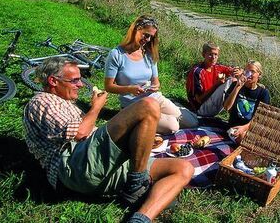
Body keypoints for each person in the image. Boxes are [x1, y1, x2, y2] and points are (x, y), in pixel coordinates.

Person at [23, 57, 194, 223]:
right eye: (74, 81)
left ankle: (141, 217)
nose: (81, 85)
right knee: (148, 105)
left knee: (184, 168)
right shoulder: (42, 101)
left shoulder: (65, 102)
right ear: (53, 81)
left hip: (97, 164)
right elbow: (81, 133)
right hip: (75, 166)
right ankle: (137, 184)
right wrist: (96, 107)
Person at [105, 15, 198, 133]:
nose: (148, 39)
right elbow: (108, 86)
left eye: (151, 37)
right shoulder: (117, 55)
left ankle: (162, 115)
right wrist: (129, 89)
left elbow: (156, 81)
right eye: (146, 35)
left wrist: (155, 86)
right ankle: (140, 121)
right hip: (134, 104)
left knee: (192, 122)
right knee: (173, 126)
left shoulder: (149, 54)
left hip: (154, 97)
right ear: (135, 29)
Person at [185, 41, 241, 117]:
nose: (213, 58)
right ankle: (234, 114)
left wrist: (239, 71)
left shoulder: (216, 67)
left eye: (216, 55)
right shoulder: (198, 72)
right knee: (232, 81)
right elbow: (199, 100)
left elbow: (232, 70)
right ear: (204, 55)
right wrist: (216, 85)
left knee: (237, 79)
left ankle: (238, 113)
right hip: (200, 109)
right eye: (210, 54)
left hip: (212, 106)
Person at [223, 60, 270, 143]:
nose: (249, 74)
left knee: (243, 136)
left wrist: (244, 128)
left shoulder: (263, 93)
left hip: (251, 129)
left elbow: (262, 119)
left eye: (253, 71)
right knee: (240, 137)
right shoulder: (236, 85)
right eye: (247, 71)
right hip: (233, 128)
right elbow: (227, 107)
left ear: (259, 75)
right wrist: (237, 87)